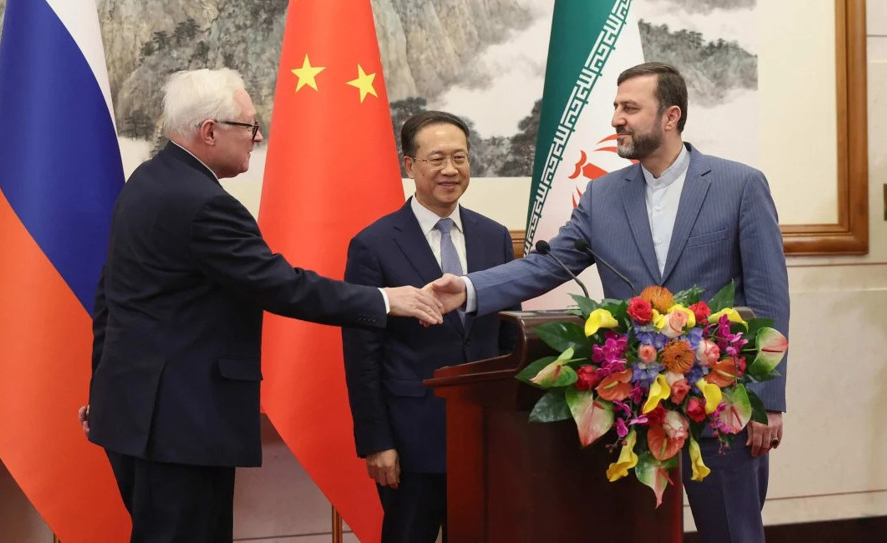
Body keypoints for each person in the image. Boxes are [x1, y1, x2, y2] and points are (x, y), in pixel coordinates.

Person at [429, 62, 789, 543]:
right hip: (635, 403)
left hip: (722, 399)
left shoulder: (739, 185)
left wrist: (769, 400)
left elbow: (768, 300)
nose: (616, 119)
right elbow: (549, 265)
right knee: (634, 528)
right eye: (616, 107)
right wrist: (470, 289)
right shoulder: (602, 196)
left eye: (629, 108)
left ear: (670, 116)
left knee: (733, 531)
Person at [80, 68, 444, 543]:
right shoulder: (203, 204)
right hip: (178, 425)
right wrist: (384, 299)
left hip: (136, 414)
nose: (256, 137)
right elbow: (280, 285)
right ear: (210, 131)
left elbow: (111, 298)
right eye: (249, 127)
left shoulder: (148, 182)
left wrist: (103, 389)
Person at [341, 111, 517, 543]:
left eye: (460, 157)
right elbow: (362, 355)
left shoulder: (494, 237)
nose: (450, 170)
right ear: (409, 165)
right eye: (437, 159)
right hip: (411, 439)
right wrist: (376, 441)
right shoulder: (374, 244)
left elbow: (510, 334)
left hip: (486, 435)